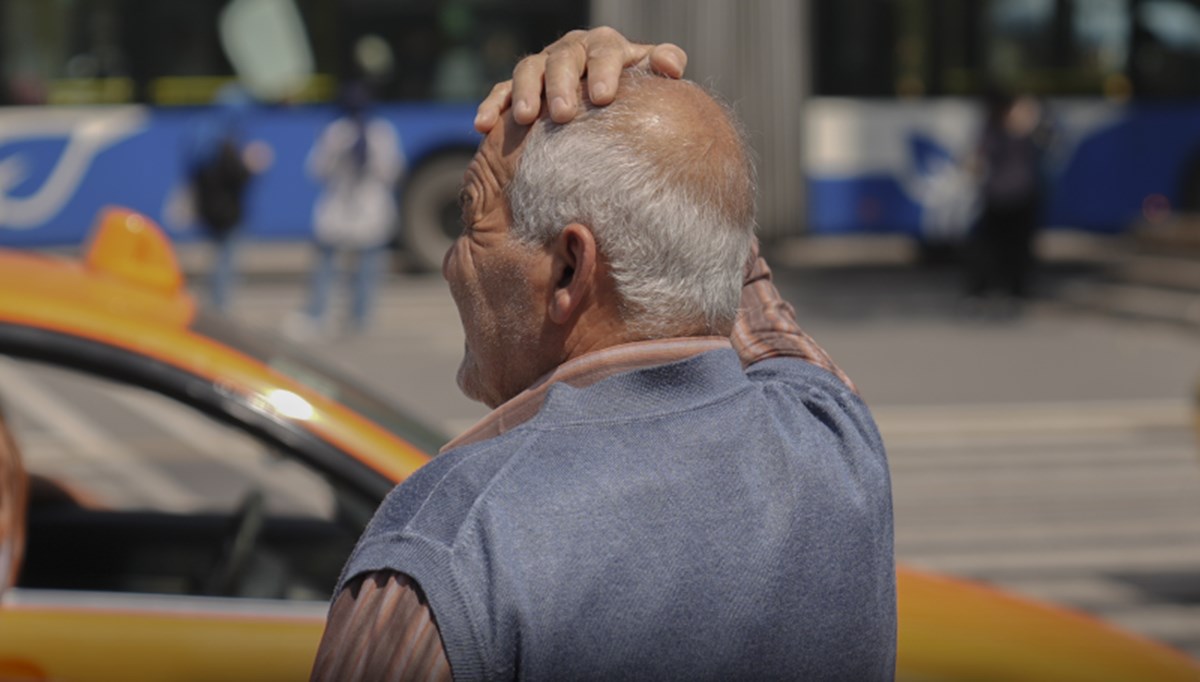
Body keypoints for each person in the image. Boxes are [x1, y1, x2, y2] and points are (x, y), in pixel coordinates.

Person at [311, 28, 895, 681]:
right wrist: (663, 131)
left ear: (568, 270)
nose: (451, 263)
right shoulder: (835, 441)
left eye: (471, 220)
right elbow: (744, 285)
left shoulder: (450, 545)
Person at [289, 83, 403, 337]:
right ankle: (318, 313)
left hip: (368, 209)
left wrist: (371, 157)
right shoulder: (336, 134)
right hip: (338, 209)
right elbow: (317, 170)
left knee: (366, 267)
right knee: (326, 264)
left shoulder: (380, 134)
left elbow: (391, 172)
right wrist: (337, 154)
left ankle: (361, 317)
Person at [963, 90, 1050, 305]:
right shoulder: (995, 129)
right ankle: (992, 288)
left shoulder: (1028, 128)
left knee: (1012, 247)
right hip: (1002, 196)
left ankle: (1012, 288)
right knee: (994, 246)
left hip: (1016, 196)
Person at [186, 85, 265, 314]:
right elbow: (238, 176)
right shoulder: (225, 143)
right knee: (225, 261)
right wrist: (253, 165)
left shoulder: (201, 134)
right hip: (227, 211)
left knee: (217, 258)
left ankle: (214, 303)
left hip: (210, 208)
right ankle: (219, 307)